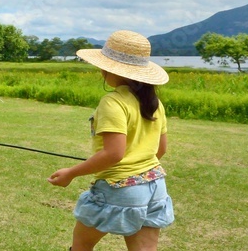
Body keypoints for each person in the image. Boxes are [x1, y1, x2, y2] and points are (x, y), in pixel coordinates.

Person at [48, 30, 175, 251]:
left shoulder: (113, 102)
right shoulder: (155, 102)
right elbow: (160, 149)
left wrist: (71, 173)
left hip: (120, 188)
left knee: (80, 247)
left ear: (112, 69)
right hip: (156, 186)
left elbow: (113, 154)